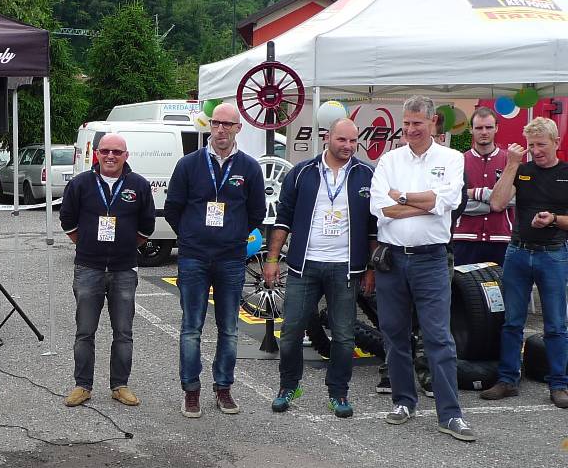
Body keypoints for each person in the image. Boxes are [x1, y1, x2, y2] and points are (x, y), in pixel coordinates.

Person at [369, 95, 475, 442]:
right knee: (394, 333)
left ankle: (450, 414)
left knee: (438, 337)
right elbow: (380, 208)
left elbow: (447, 201)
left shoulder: (452, 158)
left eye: (417, 123)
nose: (411, 129)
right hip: (392, 258)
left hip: (431, 259)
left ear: (433, 124)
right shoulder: (388, 160)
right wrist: (424, 204)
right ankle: (403, 401)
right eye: (407, 123)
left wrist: (403, 198)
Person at [264, 118, 377, 418]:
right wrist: (273, 260)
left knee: (344, 336)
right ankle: (289, 386)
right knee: (290, 332)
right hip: (305, 266)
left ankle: (338, 393)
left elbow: (374, 229)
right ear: (327, 138)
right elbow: (283, 219)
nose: (348, 147)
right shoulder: (302, 173)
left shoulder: (367, 174)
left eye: (354, 141)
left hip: (346, 268)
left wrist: (371, 268)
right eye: (342, 140)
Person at [164, 101, 266, 418]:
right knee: (191, 327)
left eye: (227, 124)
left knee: (229, 329)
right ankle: (191, 391)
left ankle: (223, 388)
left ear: (238, 128)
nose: (220, 129)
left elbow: (257, 213)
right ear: (210, 126)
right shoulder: (189, 164)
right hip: (194, 258)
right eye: (216, 123)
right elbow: (172, 208)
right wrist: (192, 236)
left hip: (231, 259)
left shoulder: (249, 168)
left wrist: (233, 235)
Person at [60, 133, 155, 408]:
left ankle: (120, 385)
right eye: (105, 151)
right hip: (88, 267)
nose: (110, 156)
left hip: (124, 269)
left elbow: (147, 224)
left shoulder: (138, 185)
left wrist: (125, 246)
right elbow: (67, 218)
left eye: (116, 151)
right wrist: (88, 243)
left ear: (126, 156)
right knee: (85, 331)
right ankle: (82, 386)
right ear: (97, 154)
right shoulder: (81, 184)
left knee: (123, 332)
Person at [484, 117, 568, 408]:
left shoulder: (566, 173)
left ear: (556, 142)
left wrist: (554, 220)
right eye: (531, 145)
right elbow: (496, 203)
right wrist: (511, 164)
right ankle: (508, 380)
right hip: (518, 251)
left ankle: (559, 384)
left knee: (556, 324)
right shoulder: (522, 169)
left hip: (553, 253)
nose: (535, 151)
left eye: (541, 145)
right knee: (512, 322)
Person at [452, 106, 514, 267]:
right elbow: (455, 201)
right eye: (479, 128)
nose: (484, 132)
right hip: (464, 238)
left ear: (496, 128)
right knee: (463, 291)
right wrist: (495, 203)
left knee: (502, 290)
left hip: (501, 239)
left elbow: (514, 199)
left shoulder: (510, 161)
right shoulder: (458, 161)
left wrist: (475, 193)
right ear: (471, 130)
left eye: (489, 127)